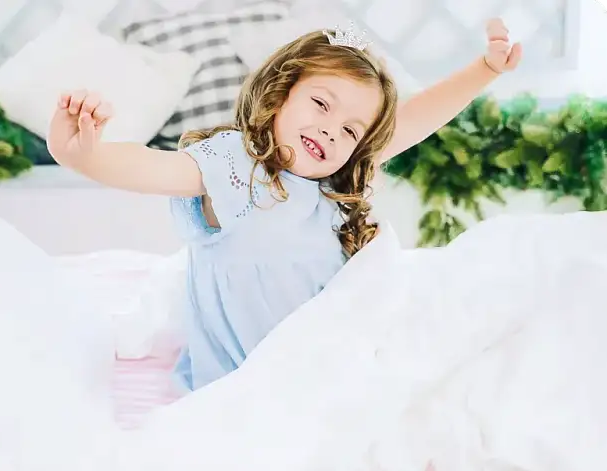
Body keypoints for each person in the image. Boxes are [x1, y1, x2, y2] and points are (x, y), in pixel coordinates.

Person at [47, 19, 522, 392]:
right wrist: (81, 155)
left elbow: (417, 117)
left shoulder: (334, 182)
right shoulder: (235, 167)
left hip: (332, 368)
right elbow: (150, 167)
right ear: (280, 94)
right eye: (321, 104)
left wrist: (486, 69)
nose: (332, 129)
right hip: (252, 386)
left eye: (351, 129)